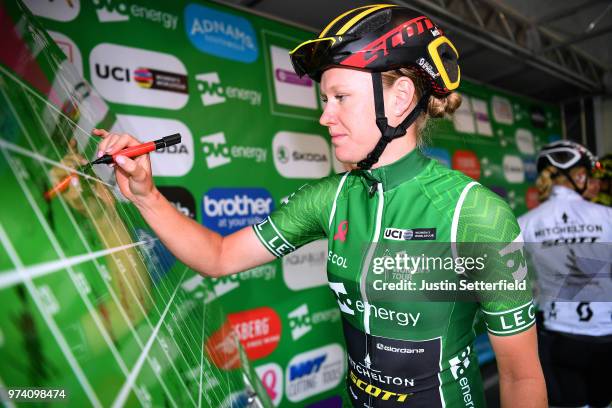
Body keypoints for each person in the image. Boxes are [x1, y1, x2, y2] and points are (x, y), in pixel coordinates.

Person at [94, 5, 545, 407]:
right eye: (325, 99)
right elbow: (218, 256)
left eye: (340, 98)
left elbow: (520, 375)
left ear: (402, 97)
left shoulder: (474, 213)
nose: (325, 116)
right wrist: (146, 195)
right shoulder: (329, 198)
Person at [518, 140, 612, 407]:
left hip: (559, 336)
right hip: (607, 335)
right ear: (579, 175)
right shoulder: (607, 216)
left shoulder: (526, 222)